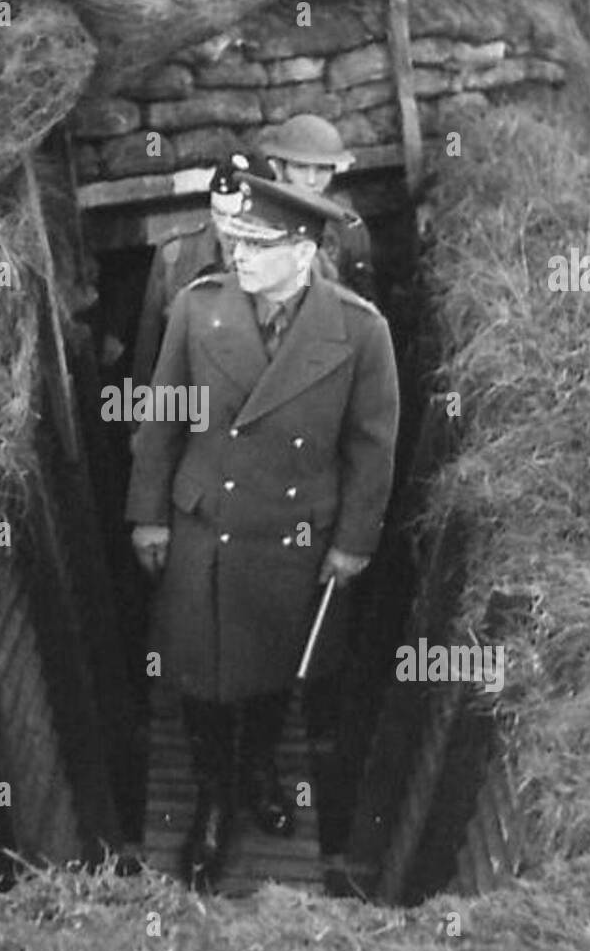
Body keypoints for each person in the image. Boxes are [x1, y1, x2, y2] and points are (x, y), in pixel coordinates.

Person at [126, 175, 400, 889]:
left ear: (304, 251)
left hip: (293, 540)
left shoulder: (361, 330)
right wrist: (148, 515)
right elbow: (160, 422)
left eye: (257, 243)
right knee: (201, 675)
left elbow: (373, 447)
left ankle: (259, 770)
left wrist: (354, 542)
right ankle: (214, 795)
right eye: (235, 240)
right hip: (203, 530)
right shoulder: (197, 310)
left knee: (277, 670)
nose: (237, 253)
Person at [129, 152, 272, 391]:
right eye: (219, 214)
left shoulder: (289, 260)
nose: (226, 228)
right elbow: (149, 352)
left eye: (237, 218)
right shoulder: (175, 255)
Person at [259, 113, 377, 299]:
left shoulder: (349, 225)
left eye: (322, 169)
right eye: (300, 167)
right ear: (280, 168)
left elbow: (363, 298)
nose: (312, 180)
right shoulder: (257, 218)